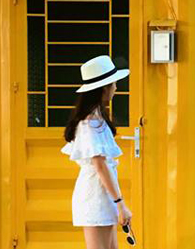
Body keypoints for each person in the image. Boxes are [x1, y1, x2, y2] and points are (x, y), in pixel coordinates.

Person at [62, 55, 133, 249]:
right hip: (95, 197)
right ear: (104, 88)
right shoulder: (90, 124)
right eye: (113, 84)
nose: (116, 88)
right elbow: (100, 166)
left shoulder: (96, 119)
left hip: (103, 196)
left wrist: (117, 202)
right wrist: (121, 203)